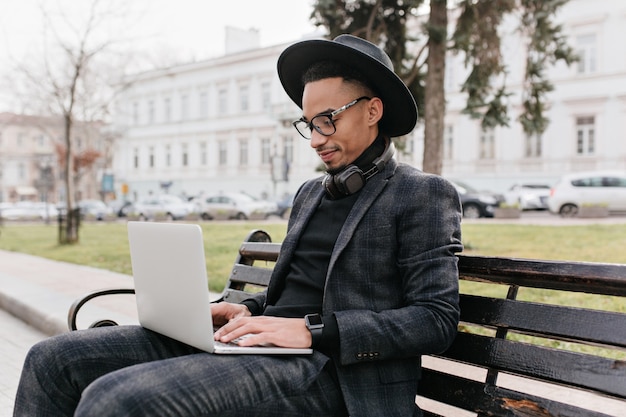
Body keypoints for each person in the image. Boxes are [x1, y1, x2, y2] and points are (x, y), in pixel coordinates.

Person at [14, 34, 462, 417]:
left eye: (329, 119)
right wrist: (248, 308)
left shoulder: (422, 194)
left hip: (336, 377)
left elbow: (435, 319)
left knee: (119, 401)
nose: (318, 137)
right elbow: (298, 290)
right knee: (52, 359)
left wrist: (312, 331)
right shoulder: (311, 193)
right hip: (263, 348)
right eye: (310, 124)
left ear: (372, 111)